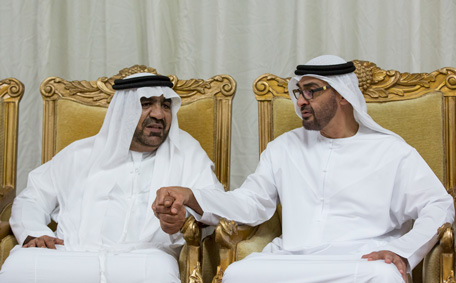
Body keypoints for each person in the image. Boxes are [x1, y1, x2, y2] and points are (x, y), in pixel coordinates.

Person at [153, 55, 455, 283]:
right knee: (239, 275)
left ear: (342, 95)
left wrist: (404, 250)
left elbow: (438, 204)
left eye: (311, 91)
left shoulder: (392, 151)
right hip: (291, 260)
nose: (300, 101)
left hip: (358, 261)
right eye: (298, 92)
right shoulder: (283, 148)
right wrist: (192, 196)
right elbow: (251, 202)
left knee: (385, 277)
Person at [0, 73, 223, 283]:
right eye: (146, 104)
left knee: (159, 272)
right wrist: (35, 233)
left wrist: (185, 213)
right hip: (71, 255)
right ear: (124, 111)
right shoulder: (79, 154)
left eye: (165, 105)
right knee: (18, 265)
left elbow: (217, 203)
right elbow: (32, 198)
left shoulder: (186, 153)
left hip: (144, 258)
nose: (158, 114)